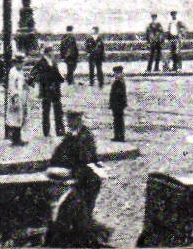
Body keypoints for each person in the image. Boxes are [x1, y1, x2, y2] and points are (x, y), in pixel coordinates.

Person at [46, 110, 106, 249]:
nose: (68, 122)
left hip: (86, 182)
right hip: (73, 178)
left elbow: (86, 161)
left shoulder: (86, 137)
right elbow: (58, 154)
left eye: (71, 119)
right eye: (67, 118)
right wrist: (54, 167)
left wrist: (70, 174)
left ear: (79, 119)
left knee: (76, 214)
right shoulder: (70, 136)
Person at [38, 46, 66, 137]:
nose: (53, 53)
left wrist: (61, 79)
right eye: (51, 51)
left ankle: (60, 130)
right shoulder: (41, 63)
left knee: (58, 111)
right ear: (48, 52)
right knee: (46, 111)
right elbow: (42, 77)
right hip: (46, 90)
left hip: (55, 90)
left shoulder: (53, 62)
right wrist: (49, 85)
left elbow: (57, 74)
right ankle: (46, 131)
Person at [4, 54, 29, 145]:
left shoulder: (20, 72)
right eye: (20, 63)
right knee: (15, 118)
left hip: (21, 96)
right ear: (16, 63)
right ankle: (15, 139)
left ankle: (18, 138)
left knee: (20, 117)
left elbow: (22, 83)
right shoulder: (13, 72)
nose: (22, 65)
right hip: (15, 98)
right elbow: (11, 86)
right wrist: (15, 97)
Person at [109, 66, 128, 142]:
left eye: (118, 73)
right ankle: (117, 135)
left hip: (119, 105)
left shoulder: (120, 83)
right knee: (116, 121)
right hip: (115, 105)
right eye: (115, 73)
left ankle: (120, 136)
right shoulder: (117, 82)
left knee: (119, 121)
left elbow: (121, 95)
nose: (116, 75)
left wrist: (122, 104)